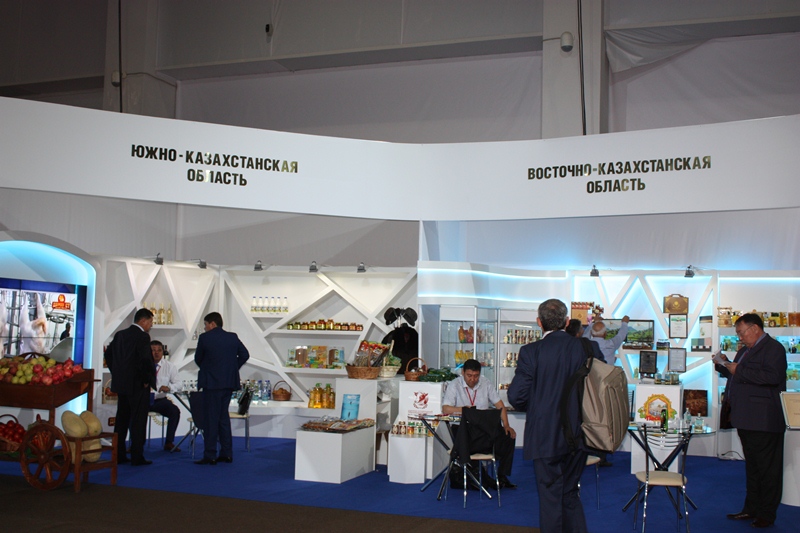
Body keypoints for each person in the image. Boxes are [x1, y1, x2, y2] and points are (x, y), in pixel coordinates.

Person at [508, 298, 589, 533]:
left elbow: (516, 396)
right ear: (567, 322)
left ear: (539, 322)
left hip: (544, 434)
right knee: (570, 493)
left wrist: (538, 404)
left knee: (550, 498)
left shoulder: (531, 351)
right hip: (579, 433)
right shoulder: (584, 348)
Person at [716, 313, 787, 529]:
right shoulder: (745, 350)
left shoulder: (774, 349)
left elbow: (772, 377)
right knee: (753, 468)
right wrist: (723, 364)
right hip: (746, 417)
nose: (739, 337)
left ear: (755, 328)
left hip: (764, 419)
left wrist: (739, 369)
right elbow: (739, 376)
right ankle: (751, 508)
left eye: (741, 332)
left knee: (768, 469)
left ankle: (767, 514)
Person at [442, 358, 517, 489]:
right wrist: (464, 410)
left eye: (476, 376)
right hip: (464, 430)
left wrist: (506, 425)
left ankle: (502, 476)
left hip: (484, 429)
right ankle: (483, 477)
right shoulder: (454, 385)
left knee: (508, 437)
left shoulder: (485, 383)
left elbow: (500, 405)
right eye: (469, 375)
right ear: (463, 372)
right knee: (470, 436)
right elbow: (445, 409)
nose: (473, 379)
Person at [194, 312, 249, 465]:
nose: (205, 328)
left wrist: (208, 369)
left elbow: (198, 359)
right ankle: (226, 453)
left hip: (211, 384)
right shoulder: (232, 337)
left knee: (211, 419)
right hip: (228, 383)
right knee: (223, 418)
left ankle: (210, 454)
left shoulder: (205, 338)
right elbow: (245, 355)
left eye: (205, 325)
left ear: (212, 324)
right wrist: (232, 368)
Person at [105, 308, 156, 466]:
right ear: (143, 321)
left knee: (121, 420)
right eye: (150, 322)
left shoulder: (120, 335)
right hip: (138, 385)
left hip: (122, 384)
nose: (151, 325)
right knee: (138, 421)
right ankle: (137, 456)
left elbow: (108, 354)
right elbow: (145, 360)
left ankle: (119, 455)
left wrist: (116, 372)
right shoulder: (143, 337)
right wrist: (146, 379)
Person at [566, 318, 612, 467]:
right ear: (579, 332)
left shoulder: (561, 346)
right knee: (594, 421)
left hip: (565, 392)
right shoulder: (589, 345)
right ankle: (598, 455)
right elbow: (601, 365)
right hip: (588, 390)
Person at [150, 340, 182, 452]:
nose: (156, 353)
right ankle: (135, 444)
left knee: (175, 411)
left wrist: (169, 388)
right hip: (144, 399)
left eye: (159, 350)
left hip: (160, 400)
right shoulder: (142, 364)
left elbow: (179, 384)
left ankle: (169, 442)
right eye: (153, 350)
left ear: (163, 352)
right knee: (132, 413)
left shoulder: (169, 366)